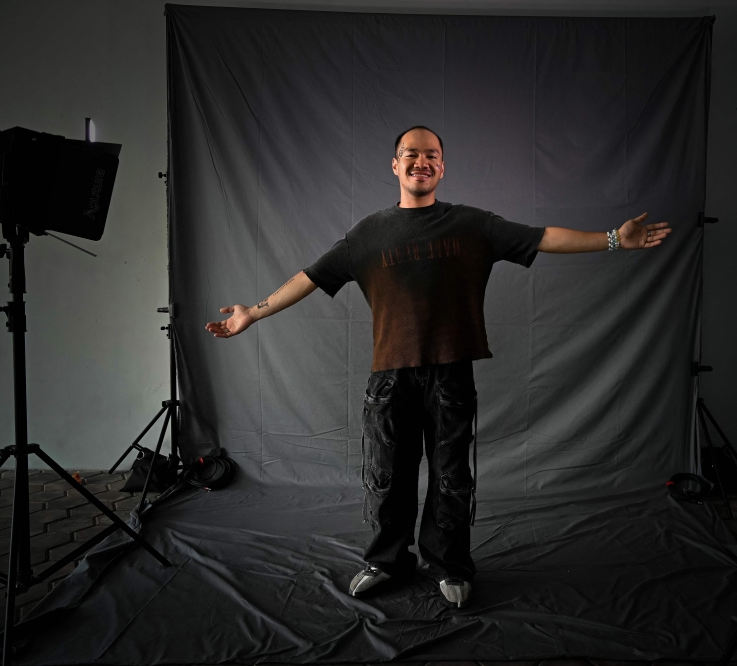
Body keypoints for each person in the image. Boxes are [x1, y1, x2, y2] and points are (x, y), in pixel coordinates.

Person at [205, 126, 672, 608]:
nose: (421, 162)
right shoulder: (368, 234)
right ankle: (386, 560)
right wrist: (254, 312)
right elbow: (310, 276)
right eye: (411, 154)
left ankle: (449, 563)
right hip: (389, 378)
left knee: (451, 477)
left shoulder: (473, 225)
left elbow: (543, 237)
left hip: (450, 375)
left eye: (431, 155)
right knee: (388, 476)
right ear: (395, 164)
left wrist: (615, 239)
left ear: (442, 167)